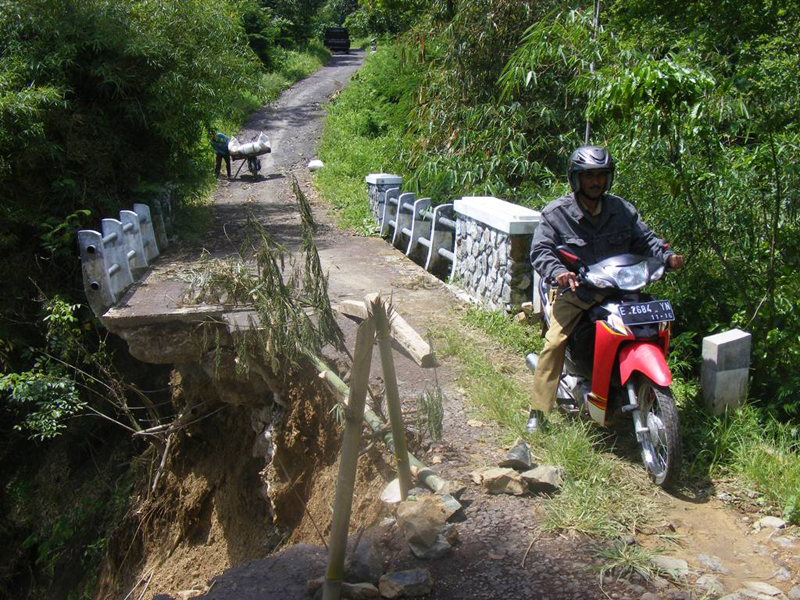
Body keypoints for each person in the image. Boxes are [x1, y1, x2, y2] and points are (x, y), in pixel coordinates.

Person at [527, 145, 684, 434]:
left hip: (622, 291)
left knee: (654, 325)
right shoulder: (556, 214)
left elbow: (646, 239)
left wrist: (666, 256)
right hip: (578, 293)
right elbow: (541, 250)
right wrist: (559, 272)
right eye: (588, 176)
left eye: (601, 175)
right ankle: (538, 410)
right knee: (555, 343)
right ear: (576, 179)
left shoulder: (622, 210)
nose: (595, 182)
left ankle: (629, 382)